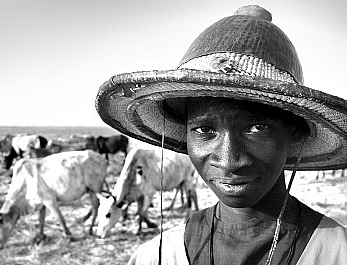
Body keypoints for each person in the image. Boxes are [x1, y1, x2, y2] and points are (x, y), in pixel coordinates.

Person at [95, 5, 347, 265]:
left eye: (257, 128)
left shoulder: (337, 253)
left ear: (295, 131)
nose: (229, 160)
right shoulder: (157, 257)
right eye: (205, 130)